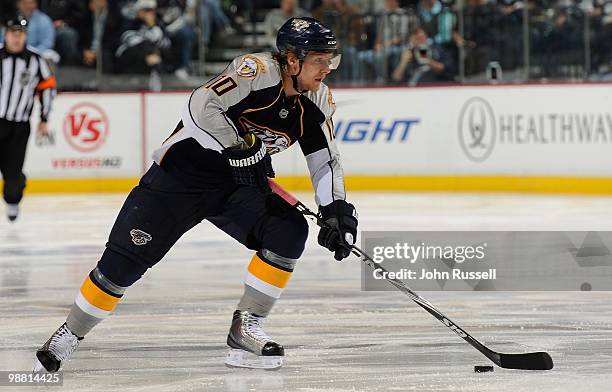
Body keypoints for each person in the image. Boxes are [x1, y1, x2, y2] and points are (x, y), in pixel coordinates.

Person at [33, 16, 359, 372]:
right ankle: (69, 333)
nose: (328, 69)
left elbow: (325, 160)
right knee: (120, 266)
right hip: (179, 179)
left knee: (289, 229)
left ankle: (245, 329)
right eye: (320, 60)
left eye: (331, 60)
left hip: (235, 188)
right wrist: (238, 147)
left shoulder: (317, 102)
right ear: (292, 60)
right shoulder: (257, 72)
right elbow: (200, 106)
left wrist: (336, 210)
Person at [0, 16, 56, 222]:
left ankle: (14, 197)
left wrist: (44, 118)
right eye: (13, 33)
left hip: (19, 127)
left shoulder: (36, 59)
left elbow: (48, 88)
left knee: (12, 177)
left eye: (21, 33)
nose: (16, 38)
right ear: (6, 34)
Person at [391, 26, 455, 85]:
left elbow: (447, 69)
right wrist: (403, 62)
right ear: (411, 39)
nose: (420, 41)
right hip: (411, 89)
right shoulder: (405, 53)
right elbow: (396, 78)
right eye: (417, 38)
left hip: (432, 87)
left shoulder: (436, 50)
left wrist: (428, 60)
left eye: (422, 37)